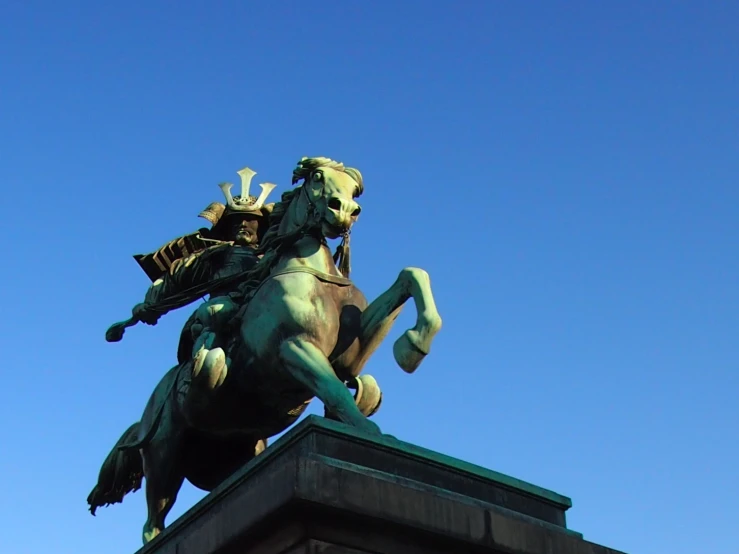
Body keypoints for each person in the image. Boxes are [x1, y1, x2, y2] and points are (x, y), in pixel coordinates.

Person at [130, 169, 275, 406]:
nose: (243, 225)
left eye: (251, 220)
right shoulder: (213, 253)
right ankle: (198, 382)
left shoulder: (275, 256)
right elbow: (177, 278)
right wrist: (151, 304)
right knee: (217, 312)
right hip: (223, 310)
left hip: (264, 308)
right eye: (236, 221)